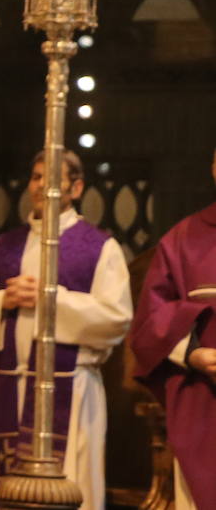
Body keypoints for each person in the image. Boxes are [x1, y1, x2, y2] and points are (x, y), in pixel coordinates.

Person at [0, 151, 131, 510]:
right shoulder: (4, 247)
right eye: (37, 177)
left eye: (52, 178)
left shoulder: (99, 247)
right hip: (11, 385)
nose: (42, 186)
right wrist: (3, 301)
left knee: (72, 486)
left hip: (72, 390)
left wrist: (52, 300)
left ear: (77, 187)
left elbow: (116, 318)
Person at [130, 147, 216, 510]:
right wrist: (193, 353)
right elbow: (150, 319)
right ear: (214, 168)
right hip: (205, 403)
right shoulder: (183, 239)